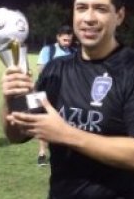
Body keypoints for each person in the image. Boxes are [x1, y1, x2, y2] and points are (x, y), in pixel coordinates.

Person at [1, 0, 134, 199]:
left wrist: (66, 134)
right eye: (81, 8)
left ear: (119, 15)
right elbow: (17, 135)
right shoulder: (55, 70)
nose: (88, 18)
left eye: (100, 9)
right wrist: (12, 99)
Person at [36, 25, 74, 166]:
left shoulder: (74, 51)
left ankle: (64, 154)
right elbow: (41, 69)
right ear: (58, 37)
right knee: (46, 122)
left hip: (68, 93)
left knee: (68, 121)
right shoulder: (49, 50)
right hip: (49, 91)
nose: (68, 37)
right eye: (64, 35)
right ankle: (42, 153)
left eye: (70, 35)